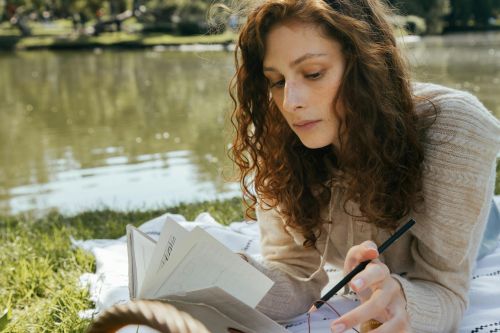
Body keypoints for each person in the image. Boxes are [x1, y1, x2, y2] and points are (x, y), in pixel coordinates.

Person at [227, 0, 500, 332]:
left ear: (367, 65)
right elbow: (296, 271)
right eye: (277, 80)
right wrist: (224, 278)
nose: (290, 102)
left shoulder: (455, 129)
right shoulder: (277, 136)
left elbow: (444, 289)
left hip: (479, 229)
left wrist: (404, 301)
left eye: (313, 73)